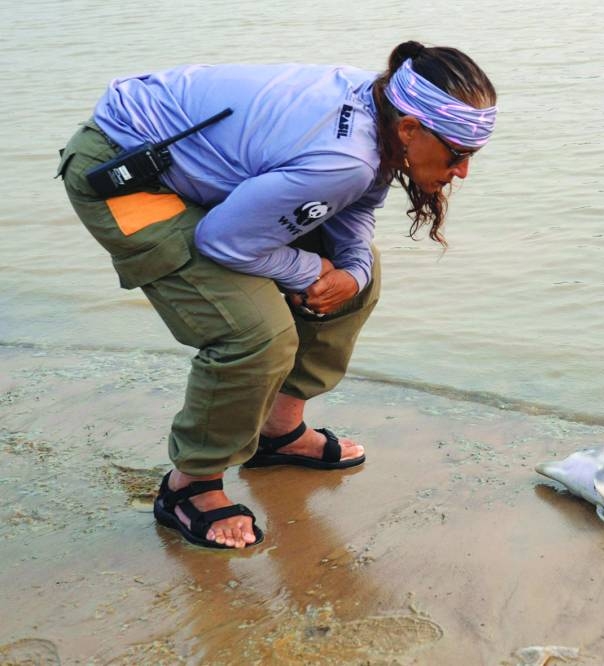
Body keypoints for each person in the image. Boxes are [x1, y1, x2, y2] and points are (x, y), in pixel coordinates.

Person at [56, 41, 497, 549]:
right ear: (410, 130)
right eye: (458, 154)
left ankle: (277, 432)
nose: (462, 171)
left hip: (201, 173)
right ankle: (190, 486)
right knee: (254, 331)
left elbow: (352, 207)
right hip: (125, 169)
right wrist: (307, 269)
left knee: (361, 273)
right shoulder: (345, 156)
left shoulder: (383, 105)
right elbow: (223, 241)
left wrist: (349, 274)